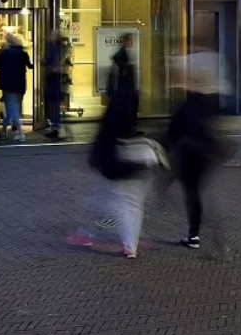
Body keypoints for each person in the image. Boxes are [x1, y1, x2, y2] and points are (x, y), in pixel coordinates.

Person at [67, 84, 162, 258]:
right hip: (138, 168)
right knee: (132, 207)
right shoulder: (134, 122)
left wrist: (95, 160)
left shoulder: (111, 120)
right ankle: (130, 246)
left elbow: (102, 145)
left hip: (114, 170)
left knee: (97, 201)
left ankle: (85, 233)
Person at [166, 53, 224, 250]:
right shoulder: (209, 103)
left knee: (192, 193)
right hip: (204, 155)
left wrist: (167, 148)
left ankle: (194, 234)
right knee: (195, 192)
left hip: (189, 155)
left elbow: (173, 131)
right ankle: (196, 232)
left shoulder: (185, 105)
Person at [0, 33, 32, 142]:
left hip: (8, 85)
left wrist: (0, 50)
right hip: (20, 85)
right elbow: (29, 66)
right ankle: (4, 130)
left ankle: (20, 132)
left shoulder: (5, 53)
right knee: (11, 109)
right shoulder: (23, 54)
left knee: (12, 109)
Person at [42, 33, 73, 139]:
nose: (47, 36)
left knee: (53, 104)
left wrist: (47, 66)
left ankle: (56, 127)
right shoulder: (56, 48)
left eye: (50, 35)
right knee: (53, 104)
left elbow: (56, 64)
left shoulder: (54, 48)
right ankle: (56, 126)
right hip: (54, 79)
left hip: (53, 79)